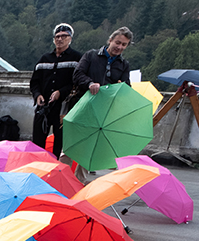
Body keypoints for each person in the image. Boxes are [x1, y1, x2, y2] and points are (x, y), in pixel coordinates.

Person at [30, 24, 83, 157]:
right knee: (38, 138)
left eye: (64, 36)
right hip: (44, 105)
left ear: (70, 38)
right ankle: (37, 164)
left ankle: (55, 166)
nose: (60, 39)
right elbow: (34, 81)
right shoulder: (44, 58)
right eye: (57, 37)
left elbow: (78, 81)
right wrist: (37, 95)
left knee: (60, 140)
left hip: (64, 107)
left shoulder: (77, 58)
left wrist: (61, 92)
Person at [71, 26, 133, 105]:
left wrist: (121, 87)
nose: (119, 47)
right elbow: (77, 74)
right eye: (117, 43)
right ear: (110, 40)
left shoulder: (124, 64)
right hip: (85, 103)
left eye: (124, 45)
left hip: (107, 106)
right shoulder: (91, 55)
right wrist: (90, 83)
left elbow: (126, 88)